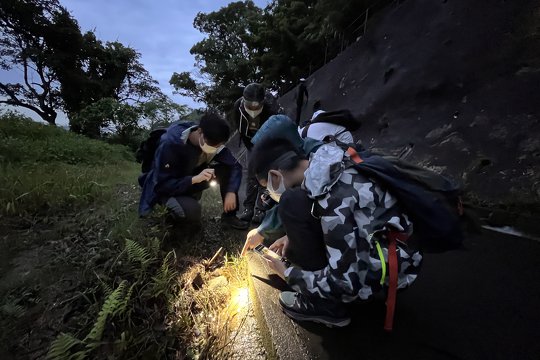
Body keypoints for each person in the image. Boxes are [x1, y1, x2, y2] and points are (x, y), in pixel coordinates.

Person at [243, 138, 422, 327]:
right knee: (296, 210)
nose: (268, 193)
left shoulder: (332, 196)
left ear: (275, 176)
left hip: (388, 270)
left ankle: (326, 307)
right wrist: (291, 236)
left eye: (267, 187)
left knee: (291, 203)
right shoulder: (329, 164)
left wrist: (288, 274)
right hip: (397, 251)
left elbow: (345, 285)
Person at [138, 113, 248, 230]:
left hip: (191, 178)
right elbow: (161, 185)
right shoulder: (171, 144)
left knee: (227, 169)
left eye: (218, 145)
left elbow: (235, 166)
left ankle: (229, 217)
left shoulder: (213, 142)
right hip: (166, 187)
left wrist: (231, 191)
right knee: (192, 211)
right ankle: (170, 217)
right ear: (200, 131)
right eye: (212, 144)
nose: (214, 149)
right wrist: (193, 180)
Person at [230, 83, 279, 224]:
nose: (253, 108)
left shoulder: (271, 107)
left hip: (268, 144)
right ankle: (248, 208)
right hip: (250, 142)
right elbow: (240, 130)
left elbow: (276, 127)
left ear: (262, 101)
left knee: (264, 174)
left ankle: (260, 209)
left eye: (256, 105)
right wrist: (251, 148)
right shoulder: (238, 107)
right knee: (251, 173)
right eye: (249, 104)